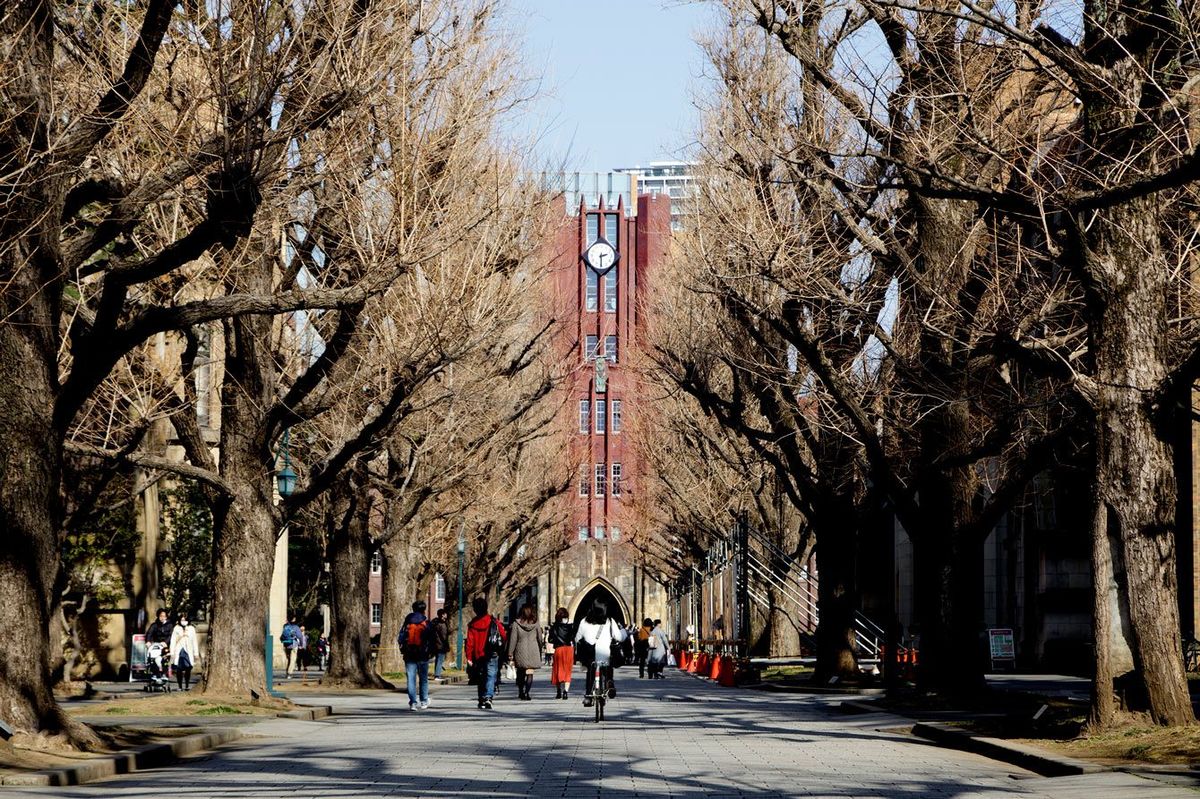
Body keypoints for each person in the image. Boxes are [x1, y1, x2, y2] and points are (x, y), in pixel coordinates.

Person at [574, 600, 627, 707]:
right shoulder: (610, 621)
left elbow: (577, 638)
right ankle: (610, 683)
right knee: (608, 663)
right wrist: (623, 631)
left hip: (589, 655)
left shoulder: (584, 621)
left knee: (590, 670)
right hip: (605, 653)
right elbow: (620, 637)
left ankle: (588, 696)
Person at [465, 597, 507, 710]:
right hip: (492, 652)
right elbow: (503, 635)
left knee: (481, 676)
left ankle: (481, 698)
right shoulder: (493, 621)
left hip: (478, 654)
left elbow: (470, 642)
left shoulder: (473, 624)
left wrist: (469, 656)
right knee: (490, 675)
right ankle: (488, 697)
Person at [398, 600, 432, 710]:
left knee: (411, 678)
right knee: (423, 678)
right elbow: (430, 639)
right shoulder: (426, 622)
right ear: (424, 610)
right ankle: (424, 700)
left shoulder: (408, 621)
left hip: (409, 653)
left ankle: (413, 702)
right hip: (422, 653)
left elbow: (401, 637)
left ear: (413, 609)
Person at [506, 603, 544, 700]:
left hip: (520, 650)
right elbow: (540, 638)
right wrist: (540, 648)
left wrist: (510, 653)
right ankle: (527, 692)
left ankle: (521, 691)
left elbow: (513, 639)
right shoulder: (536, 624)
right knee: (530, 673)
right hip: (533, 650)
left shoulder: (516, 624)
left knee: (521, 672)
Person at [547, 607, 575, 700]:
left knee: (557, 670)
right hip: (569, 649)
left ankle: (558, 691)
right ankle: (565, 692)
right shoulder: (571, 625)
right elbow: (574, 637)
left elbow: (550, 639)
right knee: (568, 671)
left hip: (559, 649)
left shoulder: (555, 626)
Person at [169, 612, 200, 691]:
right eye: (182, 620)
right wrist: (172, 652)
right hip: (179, 650)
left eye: (185, 620)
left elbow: (194, 641)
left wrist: (196, 653)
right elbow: (173, 640)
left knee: (188, 668)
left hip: (188, 651)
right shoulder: (176, 628)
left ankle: (187, 685)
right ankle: (180, 686)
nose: (183, 621)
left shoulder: (191, 628)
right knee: (179, 669)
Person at [430, 608, 451, 681]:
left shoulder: (434, 622)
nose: (446, 615)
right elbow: (444, 636)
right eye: (445, 614)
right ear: (443, 615)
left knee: (438, 660)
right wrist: (447, 645)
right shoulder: (442, 624)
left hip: (435, 644)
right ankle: (437, 675)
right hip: (441, 645)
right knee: (440, 660)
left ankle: (437, 674)